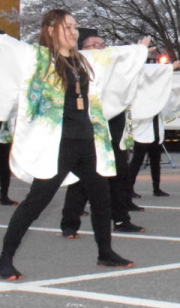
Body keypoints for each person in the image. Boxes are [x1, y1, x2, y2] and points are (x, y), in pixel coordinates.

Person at [0, 10, 149, 281]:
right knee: (37, 201)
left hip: (87, 140)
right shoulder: (37, 57)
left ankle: (105, 252)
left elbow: (112, 57)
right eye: (66, 27)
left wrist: (137, 51)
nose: (73, 32)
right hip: (57, 143)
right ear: (50, 30)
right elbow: (5, 47)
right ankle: (5, 259)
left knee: (101, 197)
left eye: (74, 26)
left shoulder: (84, 60)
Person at [58, 32, 146, 237]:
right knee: (82, 179)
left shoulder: (111, 67)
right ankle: (69, 223)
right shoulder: (76, 68)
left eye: (102, 45)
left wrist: (138, 52)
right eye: (93, 45)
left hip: (112, 124)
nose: (99, 48)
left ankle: (122, 218)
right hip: (87, 127)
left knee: (118, 174)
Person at [125, 59, 180, 199]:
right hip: (142, 130)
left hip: (155, 129)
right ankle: (128, 188)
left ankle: (156, 188)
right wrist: (170, 68)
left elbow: (171, 89)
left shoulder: (156, 91)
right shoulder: (141, 88)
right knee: (137, 160)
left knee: (155, 161)